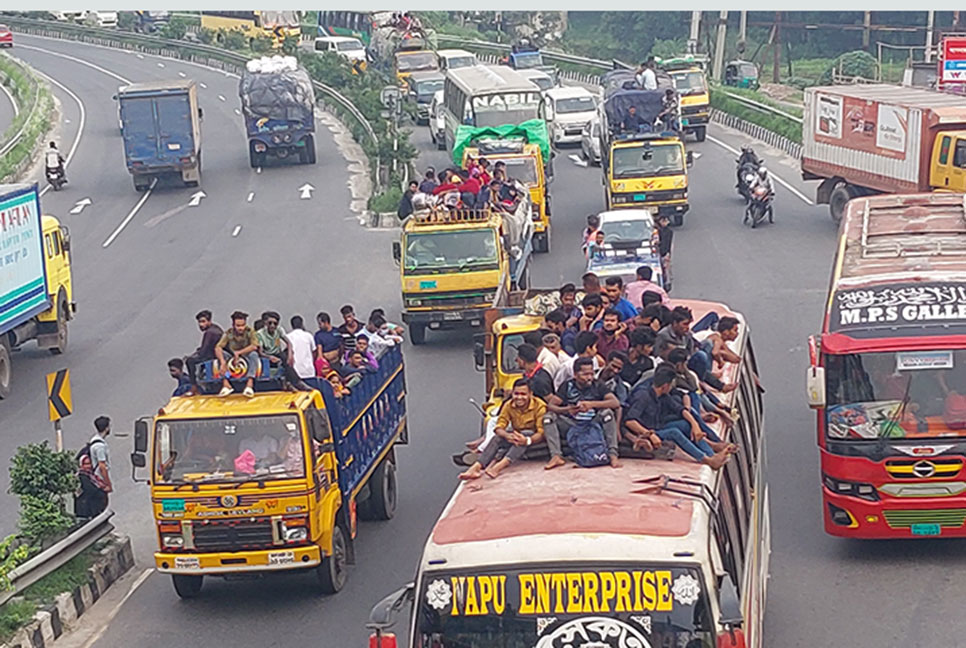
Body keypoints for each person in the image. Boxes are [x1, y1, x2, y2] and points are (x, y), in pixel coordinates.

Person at [624, 366, 730, 469]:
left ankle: (711, 454)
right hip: (646, 431)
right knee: (674, 432)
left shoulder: (663, 395)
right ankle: (705, 459)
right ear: (665, 386)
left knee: (685, 425)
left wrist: (694, 425)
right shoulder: (643, 396)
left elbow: (680, 409)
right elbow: (630, 421)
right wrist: (650, 434)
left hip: (658, 425)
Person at [459, 379, 548, 480]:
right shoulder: (509, 405)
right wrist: (507, 436)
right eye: (516, 394)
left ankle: (499, 467)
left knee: (525, 434)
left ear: (530, 394)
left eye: (523, 394)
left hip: (535, 441)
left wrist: (526, 440)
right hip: (516, 438)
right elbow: (499, 427)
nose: (519, 397)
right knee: (498, 437)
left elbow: (541, 433)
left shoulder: (540, 406)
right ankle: (476, 467)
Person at [545, 357, 622, 469]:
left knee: (607, 413)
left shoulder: (598, 385)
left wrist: (592, 404)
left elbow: (615, 402)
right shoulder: (567, 386)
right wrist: (567, 409)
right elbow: (551, 406)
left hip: (593, 423)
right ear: (575, 375)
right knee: (548, 418)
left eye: (591, 373)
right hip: (572, 423)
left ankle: (613, 455)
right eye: (585, 374)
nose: (589, 377)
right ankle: (556, 456)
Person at [215, 311, 261, 397]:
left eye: (243, 325)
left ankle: (249, 384)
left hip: (246, 356)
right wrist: (222, 362)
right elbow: (218, 347)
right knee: (222, 355)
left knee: (254, 355)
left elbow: (254, 346)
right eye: (238, 326)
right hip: (232, 359)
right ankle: (226, 383)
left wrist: (239, 353)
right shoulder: (229, 333)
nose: (241, 328)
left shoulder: (250, 332)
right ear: (233, 325)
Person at [76, 416, 112, 518]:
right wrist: (108, 484)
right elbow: (102, 466)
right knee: (99, 506)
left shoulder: (94, 440)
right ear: (106, 428)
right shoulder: (99, 446)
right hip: (98, 481)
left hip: (94, 480)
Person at [185, 309, 223, 383]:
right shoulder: (216, 328)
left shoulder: (209, 333)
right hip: (213, 354)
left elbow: (203, 351)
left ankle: (193, 385)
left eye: (203, 321)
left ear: (209, 321)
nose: (201, 325)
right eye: (199, 322)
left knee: (190, 361)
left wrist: (192, 356)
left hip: (212, 356)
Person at [286, 315, 318, 382]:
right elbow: (314, 352)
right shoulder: (308, 336)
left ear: (292, 325)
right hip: (309, 371)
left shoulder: (288, 337)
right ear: (301, 324)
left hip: (294, 372)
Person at [656, 214, 673, 292]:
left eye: (666, 221)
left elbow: (669, 242)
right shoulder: (657, 231)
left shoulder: (669, 231)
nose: (665, 223)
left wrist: (668, 253)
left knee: (665, 268)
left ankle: (666, 283)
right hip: (657, 252)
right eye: (663, 221)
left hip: (664, 251)